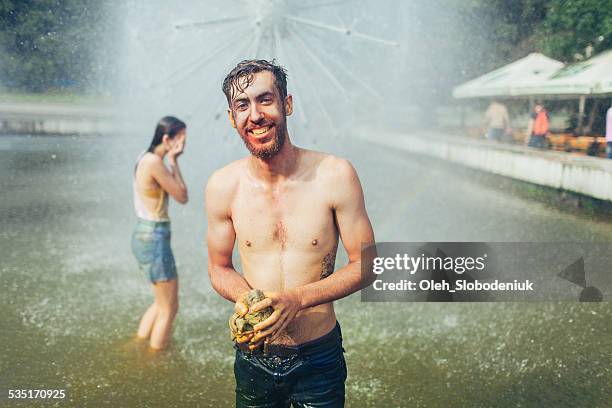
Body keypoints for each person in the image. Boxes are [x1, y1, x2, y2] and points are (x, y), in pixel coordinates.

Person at [206, 59, 375, 407]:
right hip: (254, 357)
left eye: (265, 100)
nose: (255, 115)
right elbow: (218, 266)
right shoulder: (223, 186)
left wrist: (297, 299)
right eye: (242, 105)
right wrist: (248, 300)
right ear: (231, 118)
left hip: (318, 358)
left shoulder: (335, 175)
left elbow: (368, 264)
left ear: (287, 104)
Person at [131, 116, 188, 350]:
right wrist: (174, 161)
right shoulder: (155, 162)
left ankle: (138, 345)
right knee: (169, 308)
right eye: (180, 139)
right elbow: (182, 196)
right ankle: (154, 362)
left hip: (144, 235)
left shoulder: (142, 157)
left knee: (160, 302)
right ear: (166, 138)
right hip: (154, 238)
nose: (183, 145)